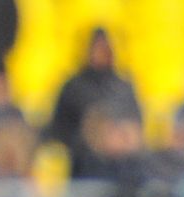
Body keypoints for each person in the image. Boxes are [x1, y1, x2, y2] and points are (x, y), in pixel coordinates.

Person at [46, 28, 141, 178]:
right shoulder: (73, 87)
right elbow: (59, 130)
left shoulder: (123, 86)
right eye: (98, 47)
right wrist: (94, 139)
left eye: (105, 47)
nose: (102, 52)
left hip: (124, 168)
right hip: (84, 165)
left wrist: (122, 138)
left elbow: (136, 126)